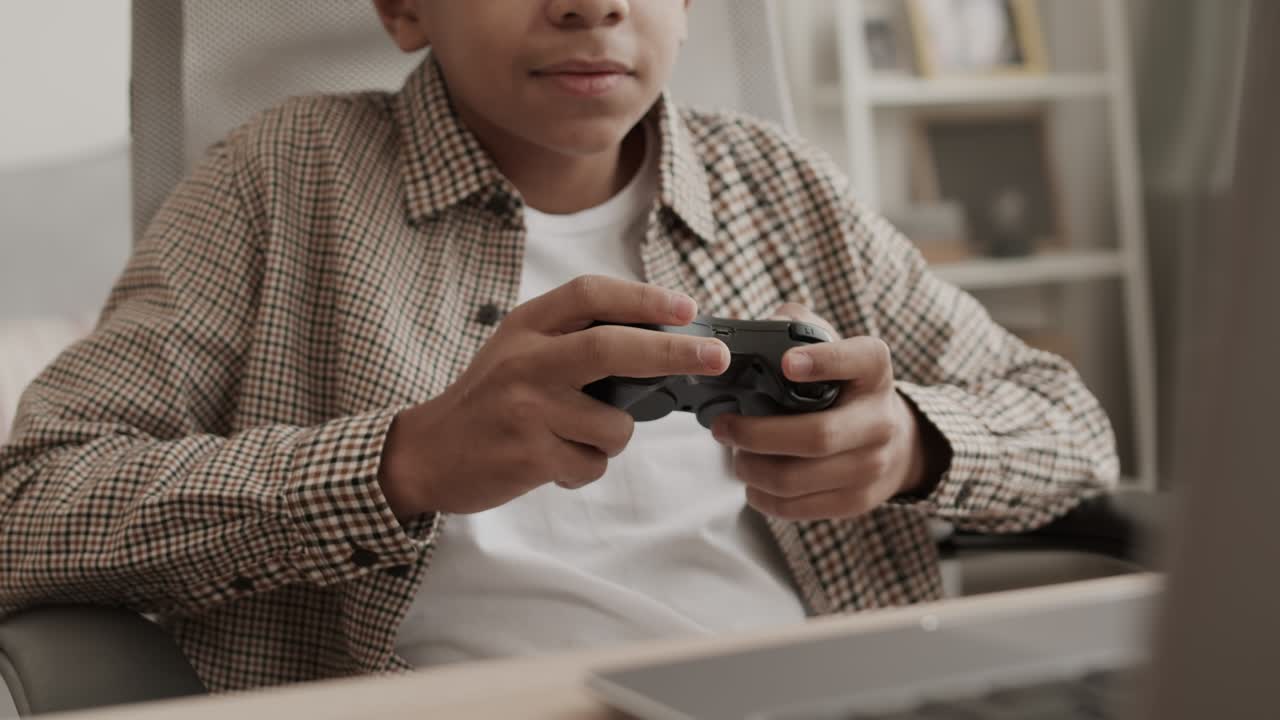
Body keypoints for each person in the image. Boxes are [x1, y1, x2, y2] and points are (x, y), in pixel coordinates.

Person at [0, 0, 1118, 693]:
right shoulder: (280, 179)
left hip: (794, 690)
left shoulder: (783, 187)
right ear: (403, 5)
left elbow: (1069, 424)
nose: (591, 5)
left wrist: (914, 444)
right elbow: (28, 509)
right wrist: (400, 465)